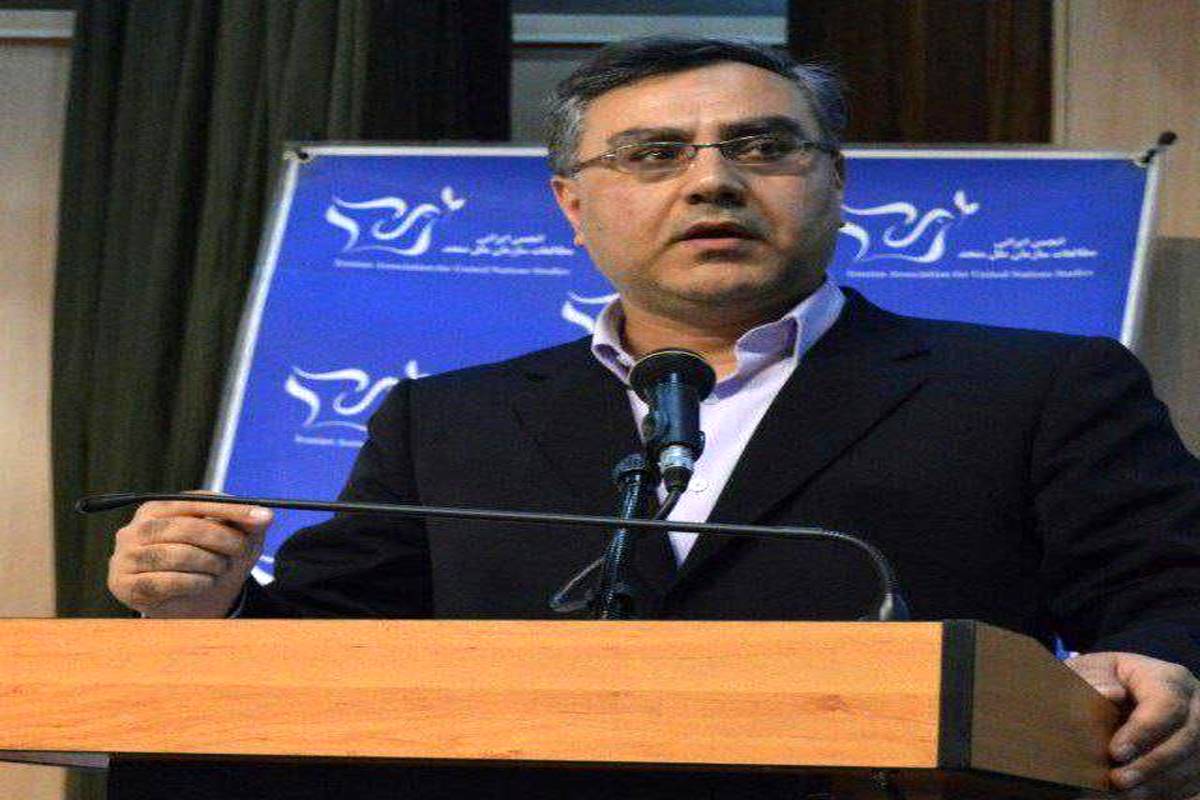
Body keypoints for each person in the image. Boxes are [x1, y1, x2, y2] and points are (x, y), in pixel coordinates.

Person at [106, 37, 1200, 799]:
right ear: (573, 205)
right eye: (653, 154)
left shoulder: (1037, 386)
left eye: (764, 148)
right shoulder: (447, 419)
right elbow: (331, 651)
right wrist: (208, 606)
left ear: (835, 182)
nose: (713, 182)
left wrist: (1155, 664)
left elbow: (1163, 590)